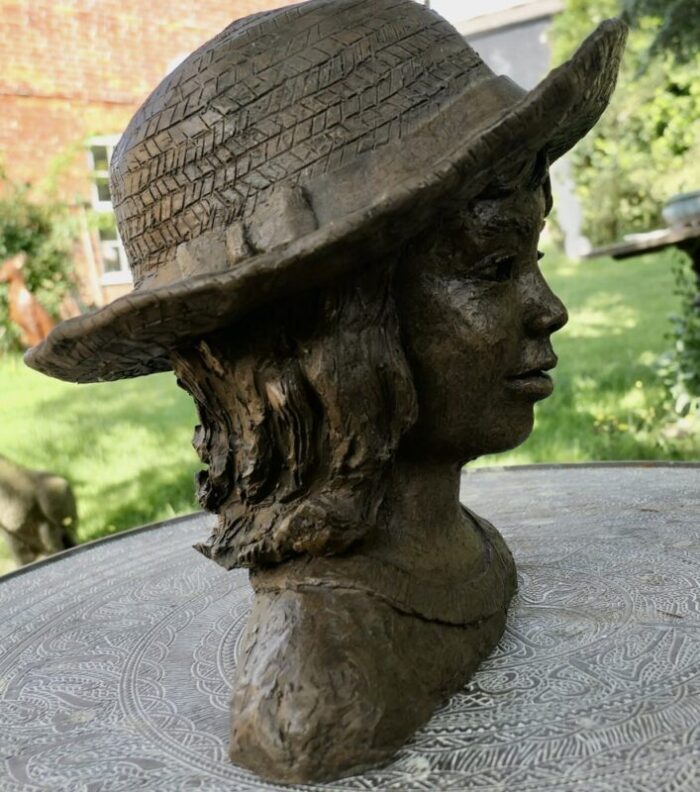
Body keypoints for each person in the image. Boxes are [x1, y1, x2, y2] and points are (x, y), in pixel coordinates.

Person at [26, 0, 627, 782]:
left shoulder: (451, 546)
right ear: (339, 329)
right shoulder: (313, 686)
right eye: (491, 267)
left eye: (530, 256)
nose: (552, 308)